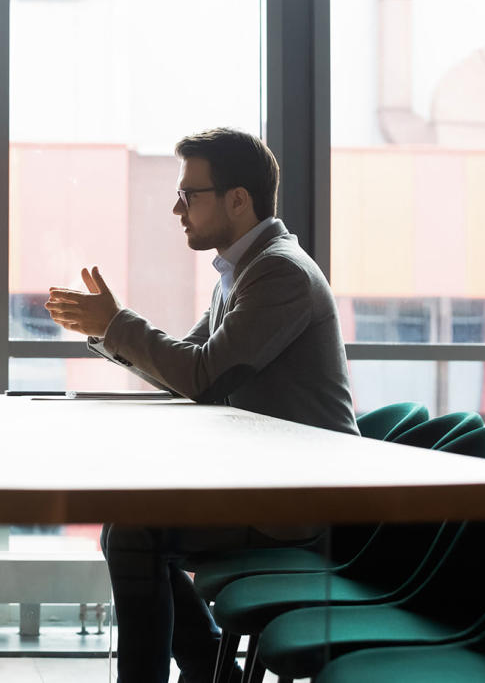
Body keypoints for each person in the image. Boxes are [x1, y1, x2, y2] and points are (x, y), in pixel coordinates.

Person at [45, 127, 356, 683]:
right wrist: (109, 330)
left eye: (190, 194)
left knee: (133, 531)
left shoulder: (280, 273)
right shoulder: (244, 270)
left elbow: (203, 376)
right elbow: (190, 366)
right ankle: (209, 665)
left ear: (238, 200)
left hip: (299, 504)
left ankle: (197, 666)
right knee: (131, 528)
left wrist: (116, 326)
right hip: (271, 487)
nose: (176, 208)